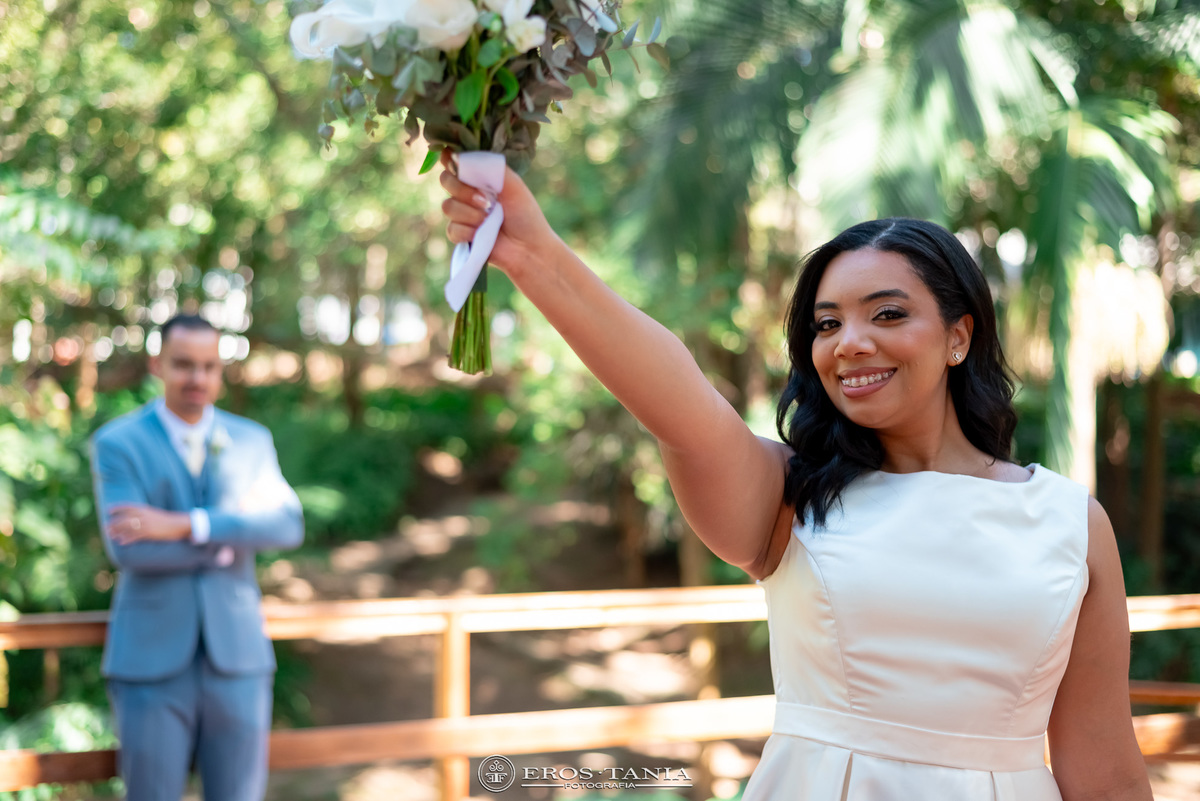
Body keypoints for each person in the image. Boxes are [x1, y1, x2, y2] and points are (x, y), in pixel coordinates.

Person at [439, 159, 1154, 799]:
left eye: (888, 313)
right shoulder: (789, 496)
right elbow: (679, 404)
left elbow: (1107, 770)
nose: (850, 342)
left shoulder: (1070, 521)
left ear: (959, 335)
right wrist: (534, 255)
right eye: (826, 323)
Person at [89, 314, 304, 801]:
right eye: (184, 365)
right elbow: (129, 550)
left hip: (240, 661)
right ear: (157, 365)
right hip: (149, 663)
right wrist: (233, 539)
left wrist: (186, 525)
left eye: (209, 366)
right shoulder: (117, 443)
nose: (198, 379)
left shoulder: (252, 441)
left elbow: (288, 525)